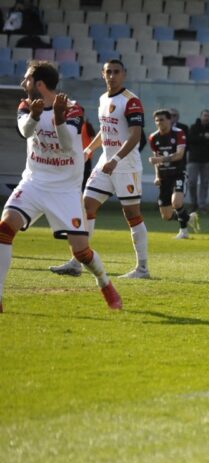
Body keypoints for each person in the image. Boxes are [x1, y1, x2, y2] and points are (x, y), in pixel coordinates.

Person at [1, 61, 122, 313]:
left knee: (81, 253)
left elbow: (67, 146)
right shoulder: (26, 105)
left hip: (65, 190)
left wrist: (57, 118)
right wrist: (34, 116)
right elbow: (25, 132)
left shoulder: (73, 109)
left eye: (27, 80)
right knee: (4, 229)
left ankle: (104, 281)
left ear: (40, 84)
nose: (24, 84)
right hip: (34, 182)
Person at [49, 59, 149, 279]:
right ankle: (77, 261)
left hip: (126, 165)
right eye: (108, 72)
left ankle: (142, 269)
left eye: (116, 72)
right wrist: (89, 149)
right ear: (103, 74)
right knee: (86, 207)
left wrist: (117, 158)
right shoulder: (103, 98)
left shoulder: (131, 101)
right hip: (106, 162)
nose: (112, 76)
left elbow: (135, 136)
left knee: (132, 214)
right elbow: (105, 130)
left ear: (124, 74)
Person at [148, 109, 199, 239]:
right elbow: (156, 158)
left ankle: (183, 232)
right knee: (167, 216)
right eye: (157, 120)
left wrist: (161, 159)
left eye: (162, 120)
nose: (159, 122)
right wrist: (157, 176)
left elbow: (179, 155)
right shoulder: (153, 137)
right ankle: (188, 218)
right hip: (164, 176)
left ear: (170, 120)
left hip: (178, 173)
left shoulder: (179, 133)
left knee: (176, 203)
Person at [186, 109, 209, 215]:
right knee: (192, 182)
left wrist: (199, 138)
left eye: (208, 116)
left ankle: (202, 206)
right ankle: (193, 204)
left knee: (205, 184)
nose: (206, 117)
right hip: (193, 160)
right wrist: (204, 136)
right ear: (201, 116)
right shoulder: (193, 128)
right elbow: (190, 139)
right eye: (205, 115)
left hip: (207, 161)